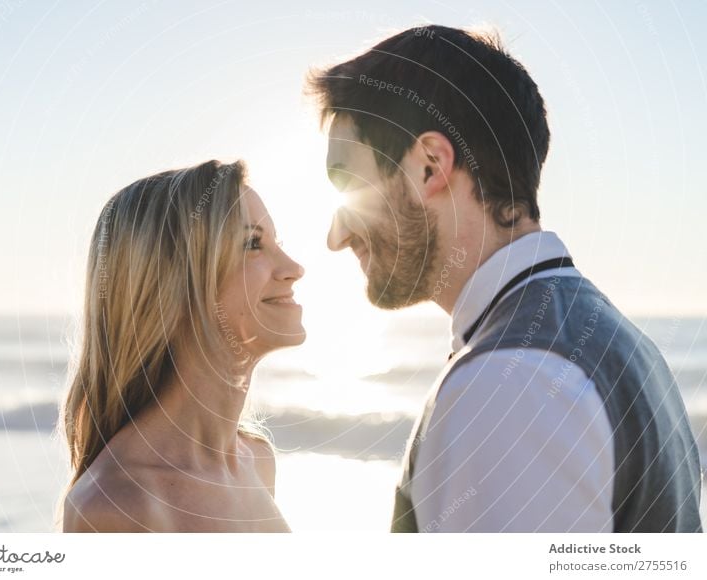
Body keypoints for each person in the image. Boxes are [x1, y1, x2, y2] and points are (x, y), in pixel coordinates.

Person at [307, 24, 703, 532]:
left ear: (430, 166)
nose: (335, 237)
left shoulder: (506, 386)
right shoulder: (625, 346)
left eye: (347, 185)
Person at [57, 160, 305, 532]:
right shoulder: (116, 505)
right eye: (253, 244)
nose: (293, 267)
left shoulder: (256, 460)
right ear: (173, 287)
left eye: (276, 242)